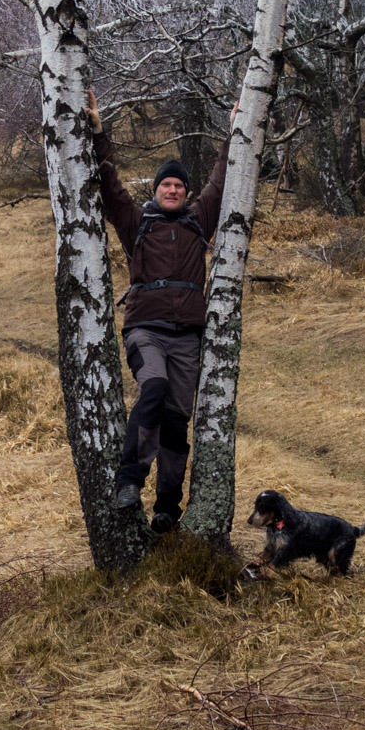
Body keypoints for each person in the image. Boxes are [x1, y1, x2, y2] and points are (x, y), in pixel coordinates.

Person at [87, 89, 236, 532]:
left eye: (178, 186)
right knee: (151, 389)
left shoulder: (198, 220)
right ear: (155, 191)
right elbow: (109, 185)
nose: (172, 190)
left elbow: (223, 177)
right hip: (145, 330)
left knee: (176, 422)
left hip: (188, 336)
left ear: (186, 193)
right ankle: (129, 481)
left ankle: (167, 508)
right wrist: (98, 132)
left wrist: (235, 131)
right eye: (165, 185)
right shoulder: (137, 224)